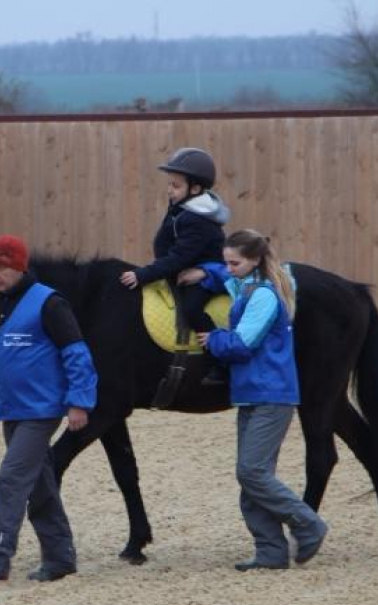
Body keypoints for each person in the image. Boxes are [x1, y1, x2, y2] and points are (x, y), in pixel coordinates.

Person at [0, 234, 98, 586]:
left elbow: (77, 354)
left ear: (20, 267)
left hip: (41, 409)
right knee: (38, 482)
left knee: (10, 479)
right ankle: (60, 558)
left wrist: (79, 402)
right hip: (10, 407)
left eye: (3, 268)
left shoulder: (49, 304)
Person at [190, 229, 328, 571]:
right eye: (227, 262)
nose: (230, 268)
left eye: (235, 262)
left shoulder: (264, 295)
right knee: (252, 473)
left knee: (251, 471)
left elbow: (242, 343)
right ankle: (270, 551)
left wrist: (215, 339)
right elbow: (226, 276)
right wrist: (208, 272)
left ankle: (308, 523)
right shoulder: (246, 283)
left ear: (253, 261)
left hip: (271, 394)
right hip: (253, 394)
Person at [118, 147, 230, 384]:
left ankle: (219, 361)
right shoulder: (182, 209)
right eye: (170, 184)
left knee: (191, 308)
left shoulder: (196, 219)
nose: (170, 190)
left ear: (196, 188)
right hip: (182, 270)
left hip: (204, 275)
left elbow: (179, 257)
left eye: (176, 186)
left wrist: (143, 274)